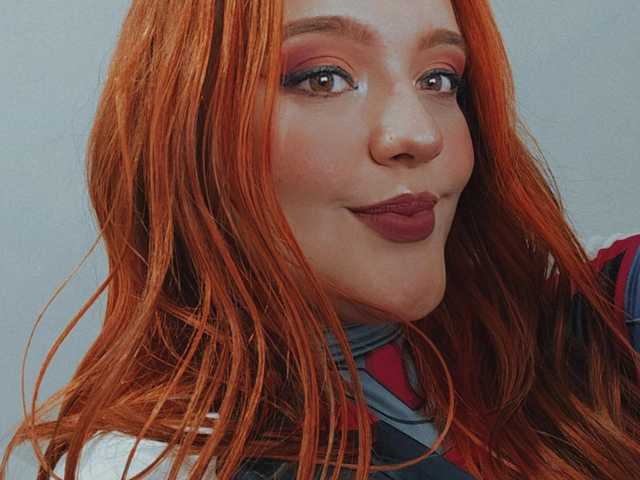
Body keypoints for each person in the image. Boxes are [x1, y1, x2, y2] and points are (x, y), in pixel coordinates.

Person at [2, 0, 640, 478]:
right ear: (187, 131)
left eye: (439, 79)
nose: (420, 134)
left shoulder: (584, 331)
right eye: (323, 78)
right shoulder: (172, 464)